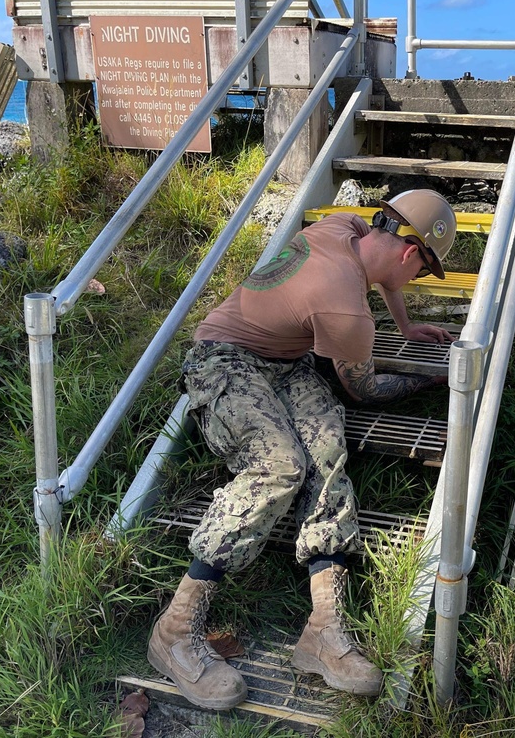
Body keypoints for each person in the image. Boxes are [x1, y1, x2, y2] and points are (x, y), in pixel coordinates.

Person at [147, 189, 458, 709]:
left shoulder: (343, 226)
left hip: (287, 363)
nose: (416, 280)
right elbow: (366, 390)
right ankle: (175, 631)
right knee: (279, 466)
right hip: (223, 359)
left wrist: (404, 325)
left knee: (327, 452)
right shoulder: (347, 309)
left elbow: (378, 272)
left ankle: (324, 631)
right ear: (410, 254)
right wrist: (429, 379)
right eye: (423, 271)